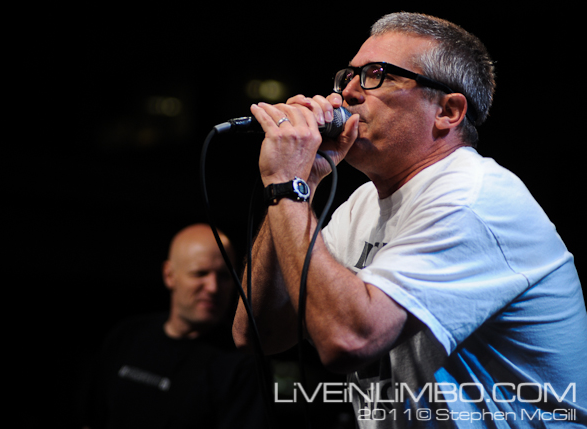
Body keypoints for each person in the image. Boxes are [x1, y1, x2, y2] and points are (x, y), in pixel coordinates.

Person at [233, 12, 587, 428]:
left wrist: (286, 187)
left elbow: (349, 339)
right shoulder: (362, 205)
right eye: (348, 76)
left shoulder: (473, 199)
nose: (346, 93)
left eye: (377, 75)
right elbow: (256, 333)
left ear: (447, 111)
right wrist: (301, 187)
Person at [82, 223, 266, 429]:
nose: (213, 287)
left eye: (224, 275)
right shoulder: (127, 336)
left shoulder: (241, 363)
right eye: (200, 273)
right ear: (169, 275)